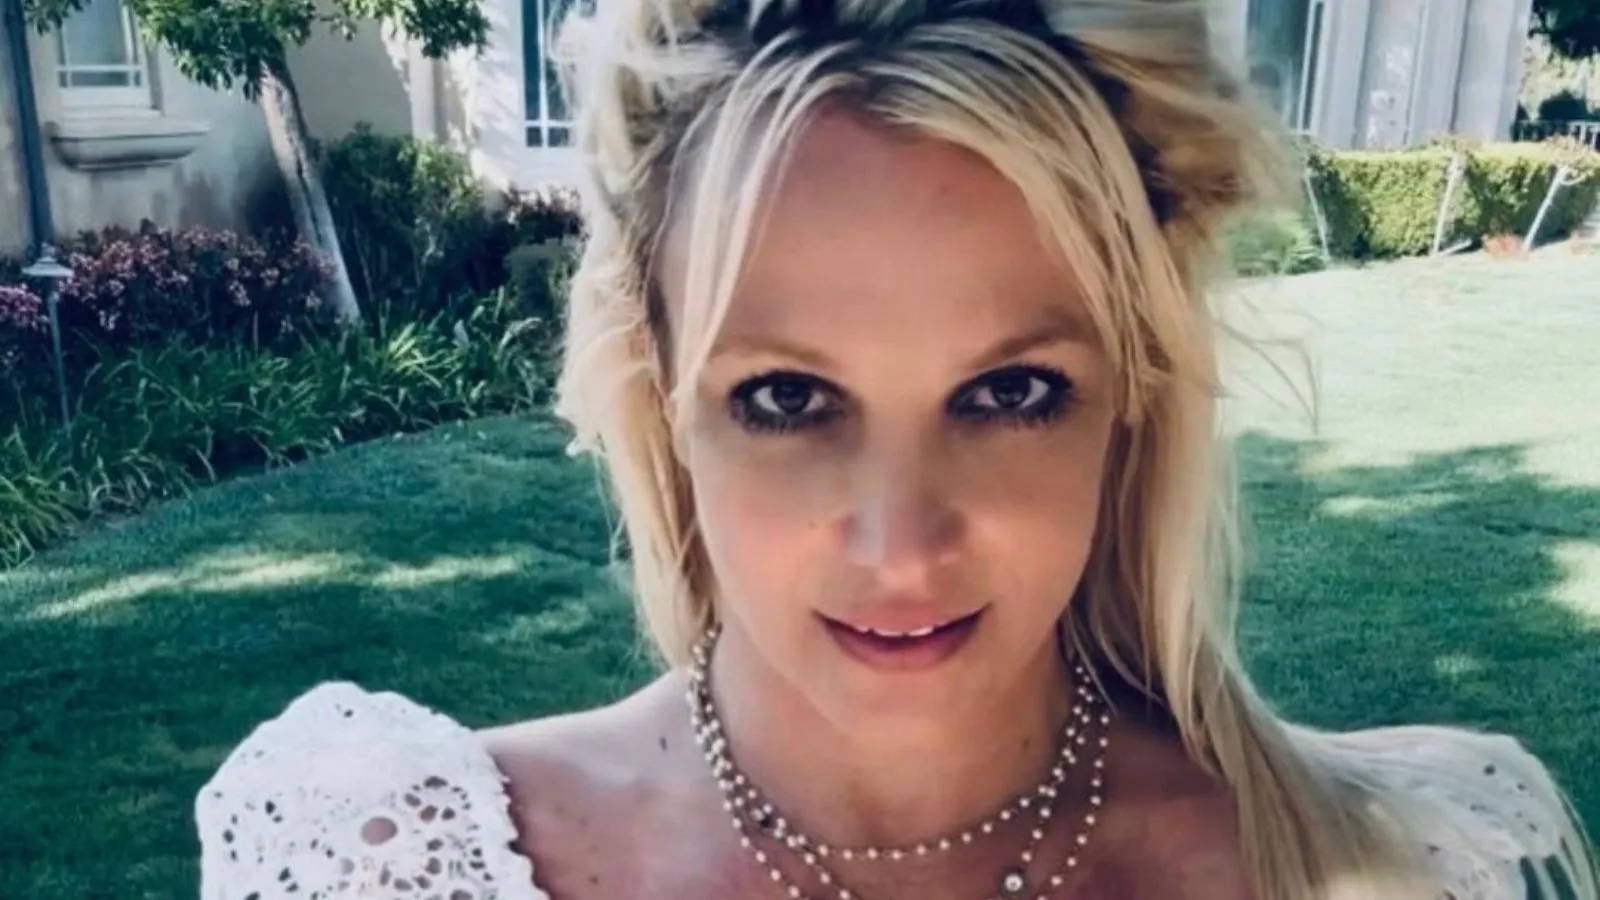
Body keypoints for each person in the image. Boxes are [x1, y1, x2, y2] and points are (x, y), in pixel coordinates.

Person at [194, 0, 1599, 897]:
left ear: (1133, 396)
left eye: (1011, 393)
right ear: (662, 394)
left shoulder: (1415, 865)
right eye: (787, 400)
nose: (901, 545)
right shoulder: (387, 859)